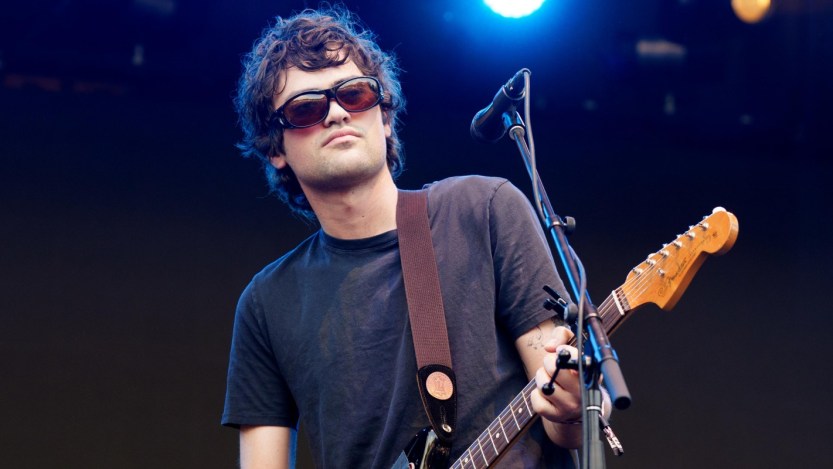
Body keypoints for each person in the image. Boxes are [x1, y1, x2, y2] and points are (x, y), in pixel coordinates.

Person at [222, 7, 606, 468]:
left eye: (356, 93)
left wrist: (569, 404)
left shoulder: (483, 210)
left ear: (384, 117)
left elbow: (568, 418)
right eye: (307, 109)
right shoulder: (267, 303)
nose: (339, 113)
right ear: (275, 148)